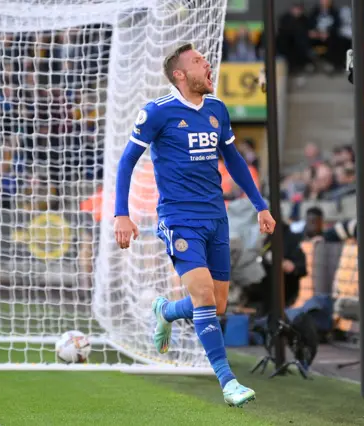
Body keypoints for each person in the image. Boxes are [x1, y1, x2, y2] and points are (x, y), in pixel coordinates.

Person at [113, 44, 275, 407]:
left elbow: (233, 160)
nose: (207, 65)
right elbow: (126, 163)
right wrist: (121, 213)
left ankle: (166, 312)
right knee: (203, 296)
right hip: (179, 218)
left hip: (216, 218)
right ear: (180, 75)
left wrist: (260, 205)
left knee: (216, 306)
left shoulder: (217, 109)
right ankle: (228, 381)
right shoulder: (157, 113)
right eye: (199, 62)